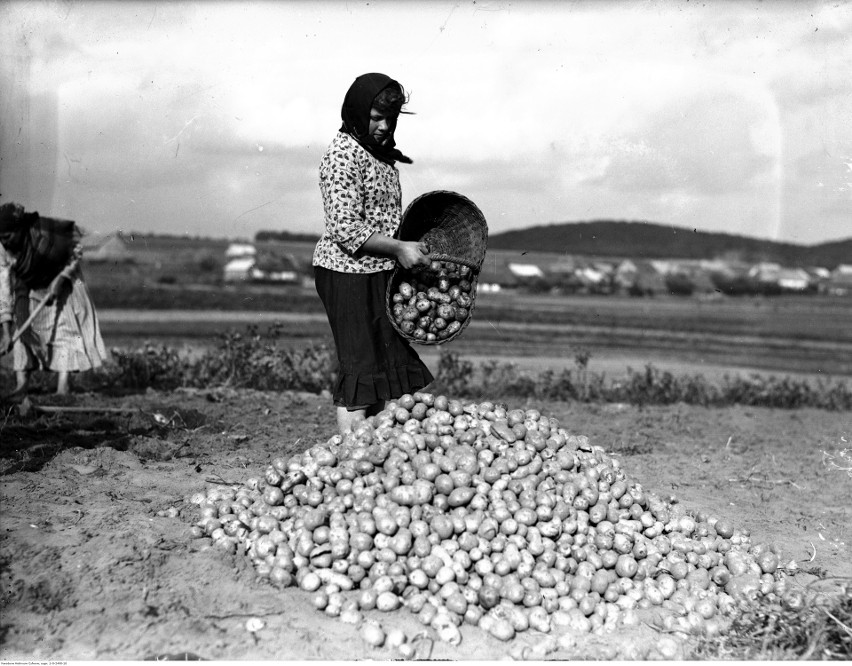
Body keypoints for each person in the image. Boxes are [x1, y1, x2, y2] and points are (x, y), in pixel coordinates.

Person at [313, 73, 434, 435]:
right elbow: (346, 228)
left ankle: (374, 461)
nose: (383, 126)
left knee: (387, 364)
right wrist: (399, 248)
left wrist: (407, 247)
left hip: (379, 272)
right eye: (376, 117)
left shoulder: (378, 154)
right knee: (363, 365)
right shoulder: (342, 156)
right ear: (355, 112)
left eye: (390, 118)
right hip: (347, 272)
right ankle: (352, 460)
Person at [0, 202, 108, 399]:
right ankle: (22, 385)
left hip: (62, 281)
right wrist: (6, 331)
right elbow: (4, 287)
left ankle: (62, 387)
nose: (4, 242)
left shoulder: (45, 232)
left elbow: (75, 252)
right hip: (28, 287)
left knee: (64, 330)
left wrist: (61, 278)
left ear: (19, 230)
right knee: (22, 330)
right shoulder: (2, 248)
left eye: (7, 236)